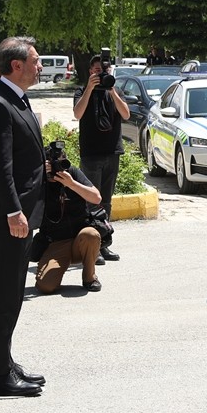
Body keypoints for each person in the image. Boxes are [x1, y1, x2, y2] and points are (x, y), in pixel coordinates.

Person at [0, 37, 46, 398]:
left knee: (14, 293)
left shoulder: (16, 98)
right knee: (2, 296)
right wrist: (15, 211)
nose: (40, 67)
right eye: (35, 61)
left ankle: (5, 363)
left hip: (21, 215)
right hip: (6, 218)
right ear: (16, 65)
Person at [73, 55, 130, 262]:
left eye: (103, 71)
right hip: (91, 154)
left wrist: (112, 90)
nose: (99, 74)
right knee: (90, 203)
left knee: (105, 202)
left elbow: (126, 115)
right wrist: (89, 89)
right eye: (96, 70)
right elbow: (78, 113)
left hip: (111, 153)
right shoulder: (81, 91)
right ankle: (91, 247)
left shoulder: (113, 90)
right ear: (90, 71)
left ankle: (104, 244)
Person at [33, 147, 104, 294]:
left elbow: (96, 198)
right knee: (45, 286)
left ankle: (89, 277)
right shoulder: (38, 179)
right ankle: (57, 267)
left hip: (81, 238)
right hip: (56, 242)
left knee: (91, 234)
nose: (58, 169)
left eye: (61, 163)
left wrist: (71, 184)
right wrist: (40, 177)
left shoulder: (72, 173)